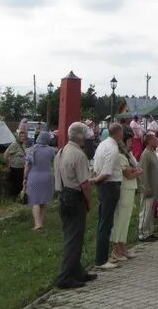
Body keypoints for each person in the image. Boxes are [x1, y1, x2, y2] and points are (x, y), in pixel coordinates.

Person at [53, 122, 96, 289]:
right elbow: (85, 184)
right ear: (81, 136)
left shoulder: (62, 151)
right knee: (74, 239)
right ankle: (65, 276)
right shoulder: (79, 155)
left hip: (63, 194)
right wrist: (89, 201)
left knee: (71, 235)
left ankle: (77, 271)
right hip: (74, 196)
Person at [91, 122, 124, 270]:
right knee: (106, 223)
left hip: (104, 186)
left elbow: (97, 166)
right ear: (119, 133)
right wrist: (95, 180)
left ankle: (103, 255)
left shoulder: (102, 144)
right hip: (109, 186)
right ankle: (101, 259)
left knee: (104, 221)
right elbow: (107, 172)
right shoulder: (112, 148)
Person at [110, 126, 143, 261]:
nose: (131, 144)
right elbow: (129, 174)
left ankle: (123, 246)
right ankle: (116, 248)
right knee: (120, 219)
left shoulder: (129, 155)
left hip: (130, 188)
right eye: (129, 141)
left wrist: (135, 170)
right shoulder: (120, 155)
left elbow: (136, 168)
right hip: (124, 188)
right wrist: (136, 171)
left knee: (126, 219)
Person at [24, 129, 57, 231]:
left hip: (34, 177)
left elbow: (27, 166)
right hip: (47, 177)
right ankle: (41, 221)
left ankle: (37, 224)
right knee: (44, 201)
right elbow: (54, 163)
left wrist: (25, 178)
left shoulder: (32, 149)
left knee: (35, 201)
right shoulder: (51, 150)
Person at [138, 132, 158, 243]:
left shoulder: (153, 153)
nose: (157, 141)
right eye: (154, 139)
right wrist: (146, 188)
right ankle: (142, 233)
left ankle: (150, 231)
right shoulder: (145, 154)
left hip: (154, 187)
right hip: (148, 188)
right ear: (149, 141)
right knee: (146, 210)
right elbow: (143, 173)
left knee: (151, 211)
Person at [4, 129, 29, 197]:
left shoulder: (23, 144)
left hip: (22, 167)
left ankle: (19, 197)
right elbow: (6, 154)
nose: (22, 138)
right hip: (15, 168)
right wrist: (7, 164)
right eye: (21, 136)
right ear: (18, 137)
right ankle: (14, 197)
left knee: (20, 184)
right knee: (16, 184)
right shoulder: (14, 144)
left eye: (23, 136)